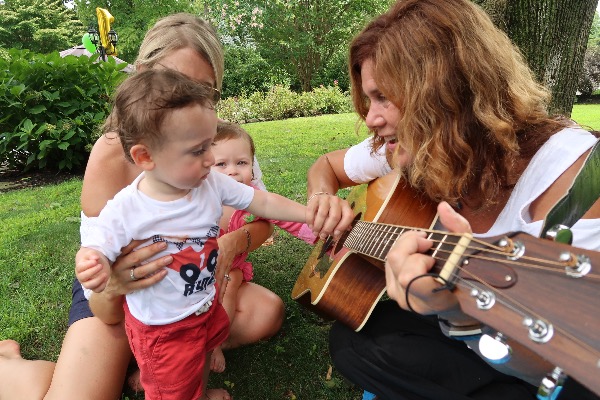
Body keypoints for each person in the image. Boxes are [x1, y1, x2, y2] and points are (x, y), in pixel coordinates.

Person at [305, 0, 600, 399]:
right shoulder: (411, 147)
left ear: (444, 94)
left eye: (383, 98)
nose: (371, 118)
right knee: (353, 340)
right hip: (473, 328)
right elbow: (327, 165)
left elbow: (575, 368)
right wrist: (324, 198)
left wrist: (456, 310)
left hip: (545, 369)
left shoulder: (575, 183)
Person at [0, 14, 273, 400]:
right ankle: (10, 365)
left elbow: (264, 223)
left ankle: (145, 359)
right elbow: (103, 287)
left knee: (265, 314)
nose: (188, 103)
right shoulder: (112, 153)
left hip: (186, 285)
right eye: (175, 84)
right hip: (119, 293)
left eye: (204, 91)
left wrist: (233, 243)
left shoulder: (218, 146)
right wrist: (114, 285)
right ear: (142, 75)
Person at [75, 68, 349, 400]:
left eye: (209, 145)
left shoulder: (209, 182)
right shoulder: (127, 208)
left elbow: (262, 201)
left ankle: (201, 391)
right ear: (145, 156)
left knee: (202, 352)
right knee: (174, 388)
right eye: (197, 150)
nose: (210, 159)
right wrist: (93, 261)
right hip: (164, 330)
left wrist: (310, 214)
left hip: (205, 305)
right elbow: (97, 245)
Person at [208, 121, 318, 372]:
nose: (232, 172)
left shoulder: (250, 194)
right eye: (221, 164)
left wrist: (320, 232)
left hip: (229, 270)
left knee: (233, 278)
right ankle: (201, 346)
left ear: (253, 167)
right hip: (192, 275)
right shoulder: (199, 194)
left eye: (242, 163)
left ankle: (214, 341)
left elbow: (286, 218)